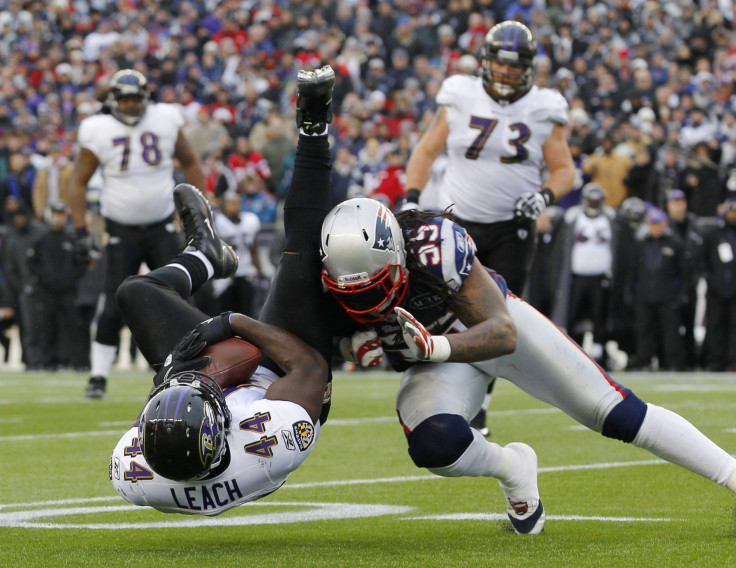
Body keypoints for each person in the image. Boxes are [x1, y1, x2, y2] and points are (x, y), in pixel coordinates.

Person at [319, 197, 736, 535]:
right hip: (437, 358)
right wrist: (350, 347)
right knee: (435, 445)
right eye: (350, 292)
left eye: (375, 284)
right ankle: (513, 469)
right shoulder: (315, 281)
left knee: (616, 414)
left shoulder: (433, 246)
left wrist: (435, 347)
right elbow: (313, 344)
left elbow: (501, 332)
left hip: (477, 333)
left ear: (398, 253)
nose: (365, 300)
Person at [110, 66, 336, 514]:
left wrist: (174, 378)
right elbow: (310, 368)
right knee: (303, 252)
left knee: (134, 292)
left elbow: (155, 418)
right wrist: (232, 322)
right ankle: (314, 127)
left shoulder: (134, 473)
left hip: (210, 418)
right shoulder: (272, 440)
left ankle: (206, 255)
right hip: (280, 373)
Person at [403, 21, 575, 436]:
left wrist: (545, 198)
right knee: (445, 311)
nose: (506, 74)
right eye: (500, 65)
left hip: (513, 228)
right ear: (485, 63)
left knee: (496, 319)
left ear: (530, 69)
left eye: (515, 68)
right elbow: (426, 148)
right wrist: (411, 196)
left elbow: (564, 169)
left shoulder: (543, 105)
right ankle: (435, 398)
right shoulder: (460, 94)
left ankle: (478, 408)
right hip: (457, 223)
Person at [69, 68, 206, 399]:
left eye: (135, 99)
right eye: (124, 99)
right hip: (121, 229)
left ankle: (195, 368)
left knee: (181, 298)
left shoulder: (165, 119)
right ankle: (99, 377)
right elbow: (78, 181)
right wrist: (80, 229)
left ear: (146, 99)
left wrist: (196, 212)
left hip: (160, 226)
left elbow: (191, 163)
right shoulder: (97, 129)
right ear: (113, 101)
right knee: (114, 301)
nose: (130, 106)